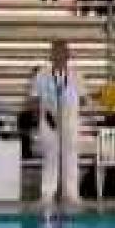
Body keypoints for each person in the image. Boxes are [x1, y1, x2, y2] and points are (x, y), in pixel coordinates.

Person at [29, 39, 84, 207]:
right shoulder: (42, 75)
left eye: (62, 52)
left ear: (68, 55)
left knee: (71, 157)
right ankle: (47, 194)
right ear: (51, 55)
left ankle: (72, 194)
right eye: (56, 52)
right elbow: (34, 98)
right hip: (49, 120)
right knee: (50, 157)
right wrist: (44, 112)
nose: (59, 55)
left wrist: (68, 108)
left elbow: (82, 99)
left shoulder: (76, 75)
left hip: (70, 120)